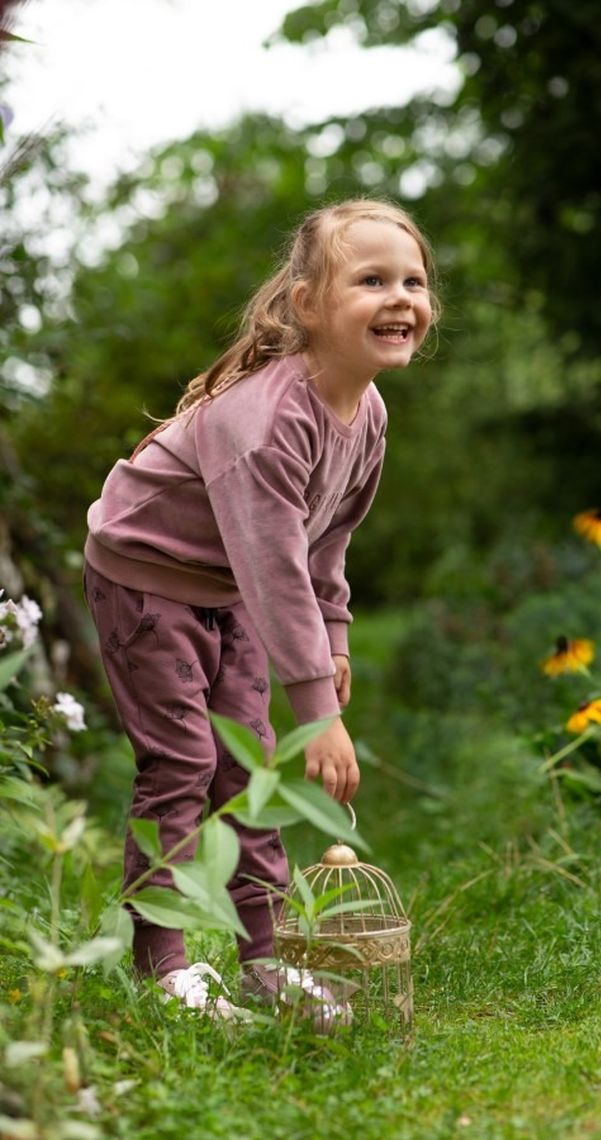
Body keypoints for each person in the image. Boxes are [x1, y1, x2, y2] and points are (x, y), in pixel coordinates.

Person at [83, 197, 437, 1023]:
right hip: (147, 577)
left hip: (228, 586)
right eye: (372, 279)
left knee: (251, 777)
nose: (400, 297)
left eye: (413, 281)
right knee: (183, 765)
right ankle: (162, 963)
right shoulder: (269, 418)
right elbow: (275, 569)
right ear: (308, 303)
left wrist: (336, 634)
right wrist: (319, 712)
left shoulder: (367, 415)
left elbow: (325, 540)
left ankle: (266, 963)